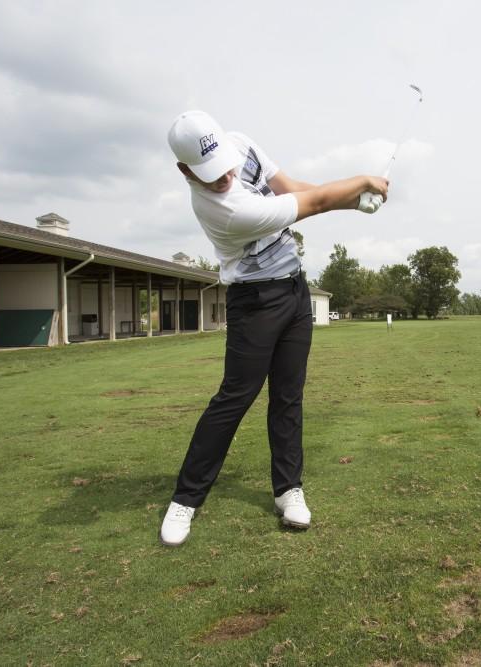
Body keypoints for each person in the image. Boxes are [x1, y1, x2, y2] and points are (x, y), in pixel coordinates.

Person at [159, 110, 389, 546]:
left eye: (225, 164)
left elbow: (299, 190)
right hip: (254, 302)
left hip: (295, 293)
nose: (225, 176)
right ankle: (186, 498)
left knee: (288, 395)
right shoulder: (223, 209)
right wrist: (361, 182)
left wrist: (356, 202)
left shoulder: (241, 144)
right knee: (233, 400)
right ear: (184, 170)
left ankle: (288, 489)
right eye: (210, 173)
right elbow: (315, 205)